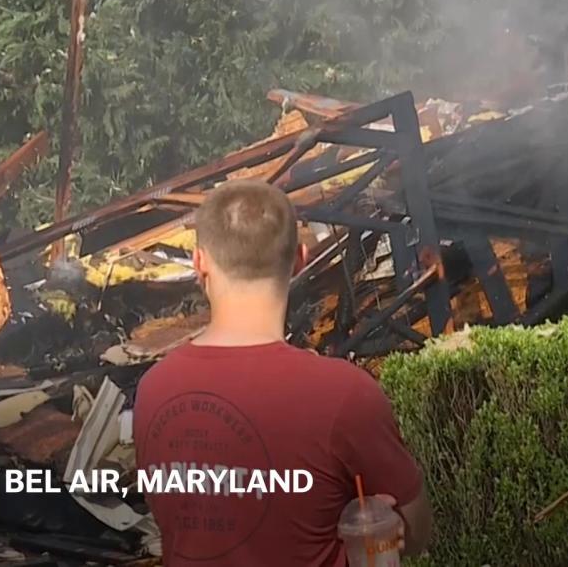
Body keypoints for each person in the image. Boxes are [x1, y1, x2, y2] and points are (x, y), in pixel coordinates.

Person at [133, 180, 432, 566]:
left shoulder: (153, 390)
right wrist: (372, 521)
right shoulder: (344, 394)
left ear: (199, 262)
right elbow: (415, 530)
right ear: (300, 259)